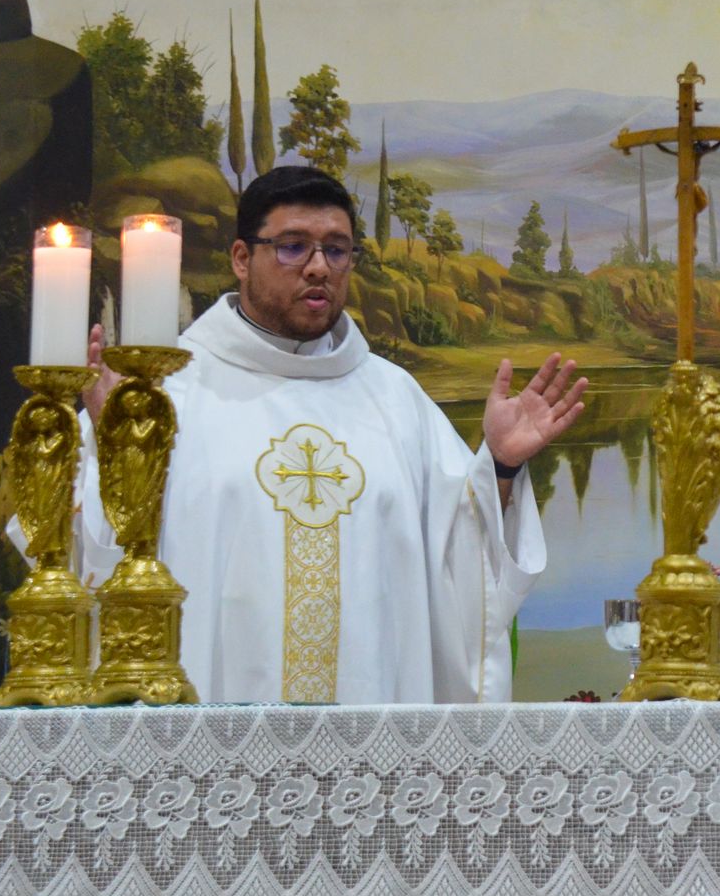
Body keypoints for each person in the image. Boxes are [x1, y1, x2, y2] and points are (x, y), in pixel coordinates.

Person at [48, 165, 586, 704]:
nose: (318, 267)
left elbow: (461, 570)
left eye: (336, 249)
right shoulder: (163, 395)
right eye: (292, 246)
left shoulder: (395, 398)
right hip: (210, 730)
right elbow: (78, 564)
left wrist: (500, 467)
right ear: (242, 258)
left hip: (370, 733)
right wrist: (115, 454)